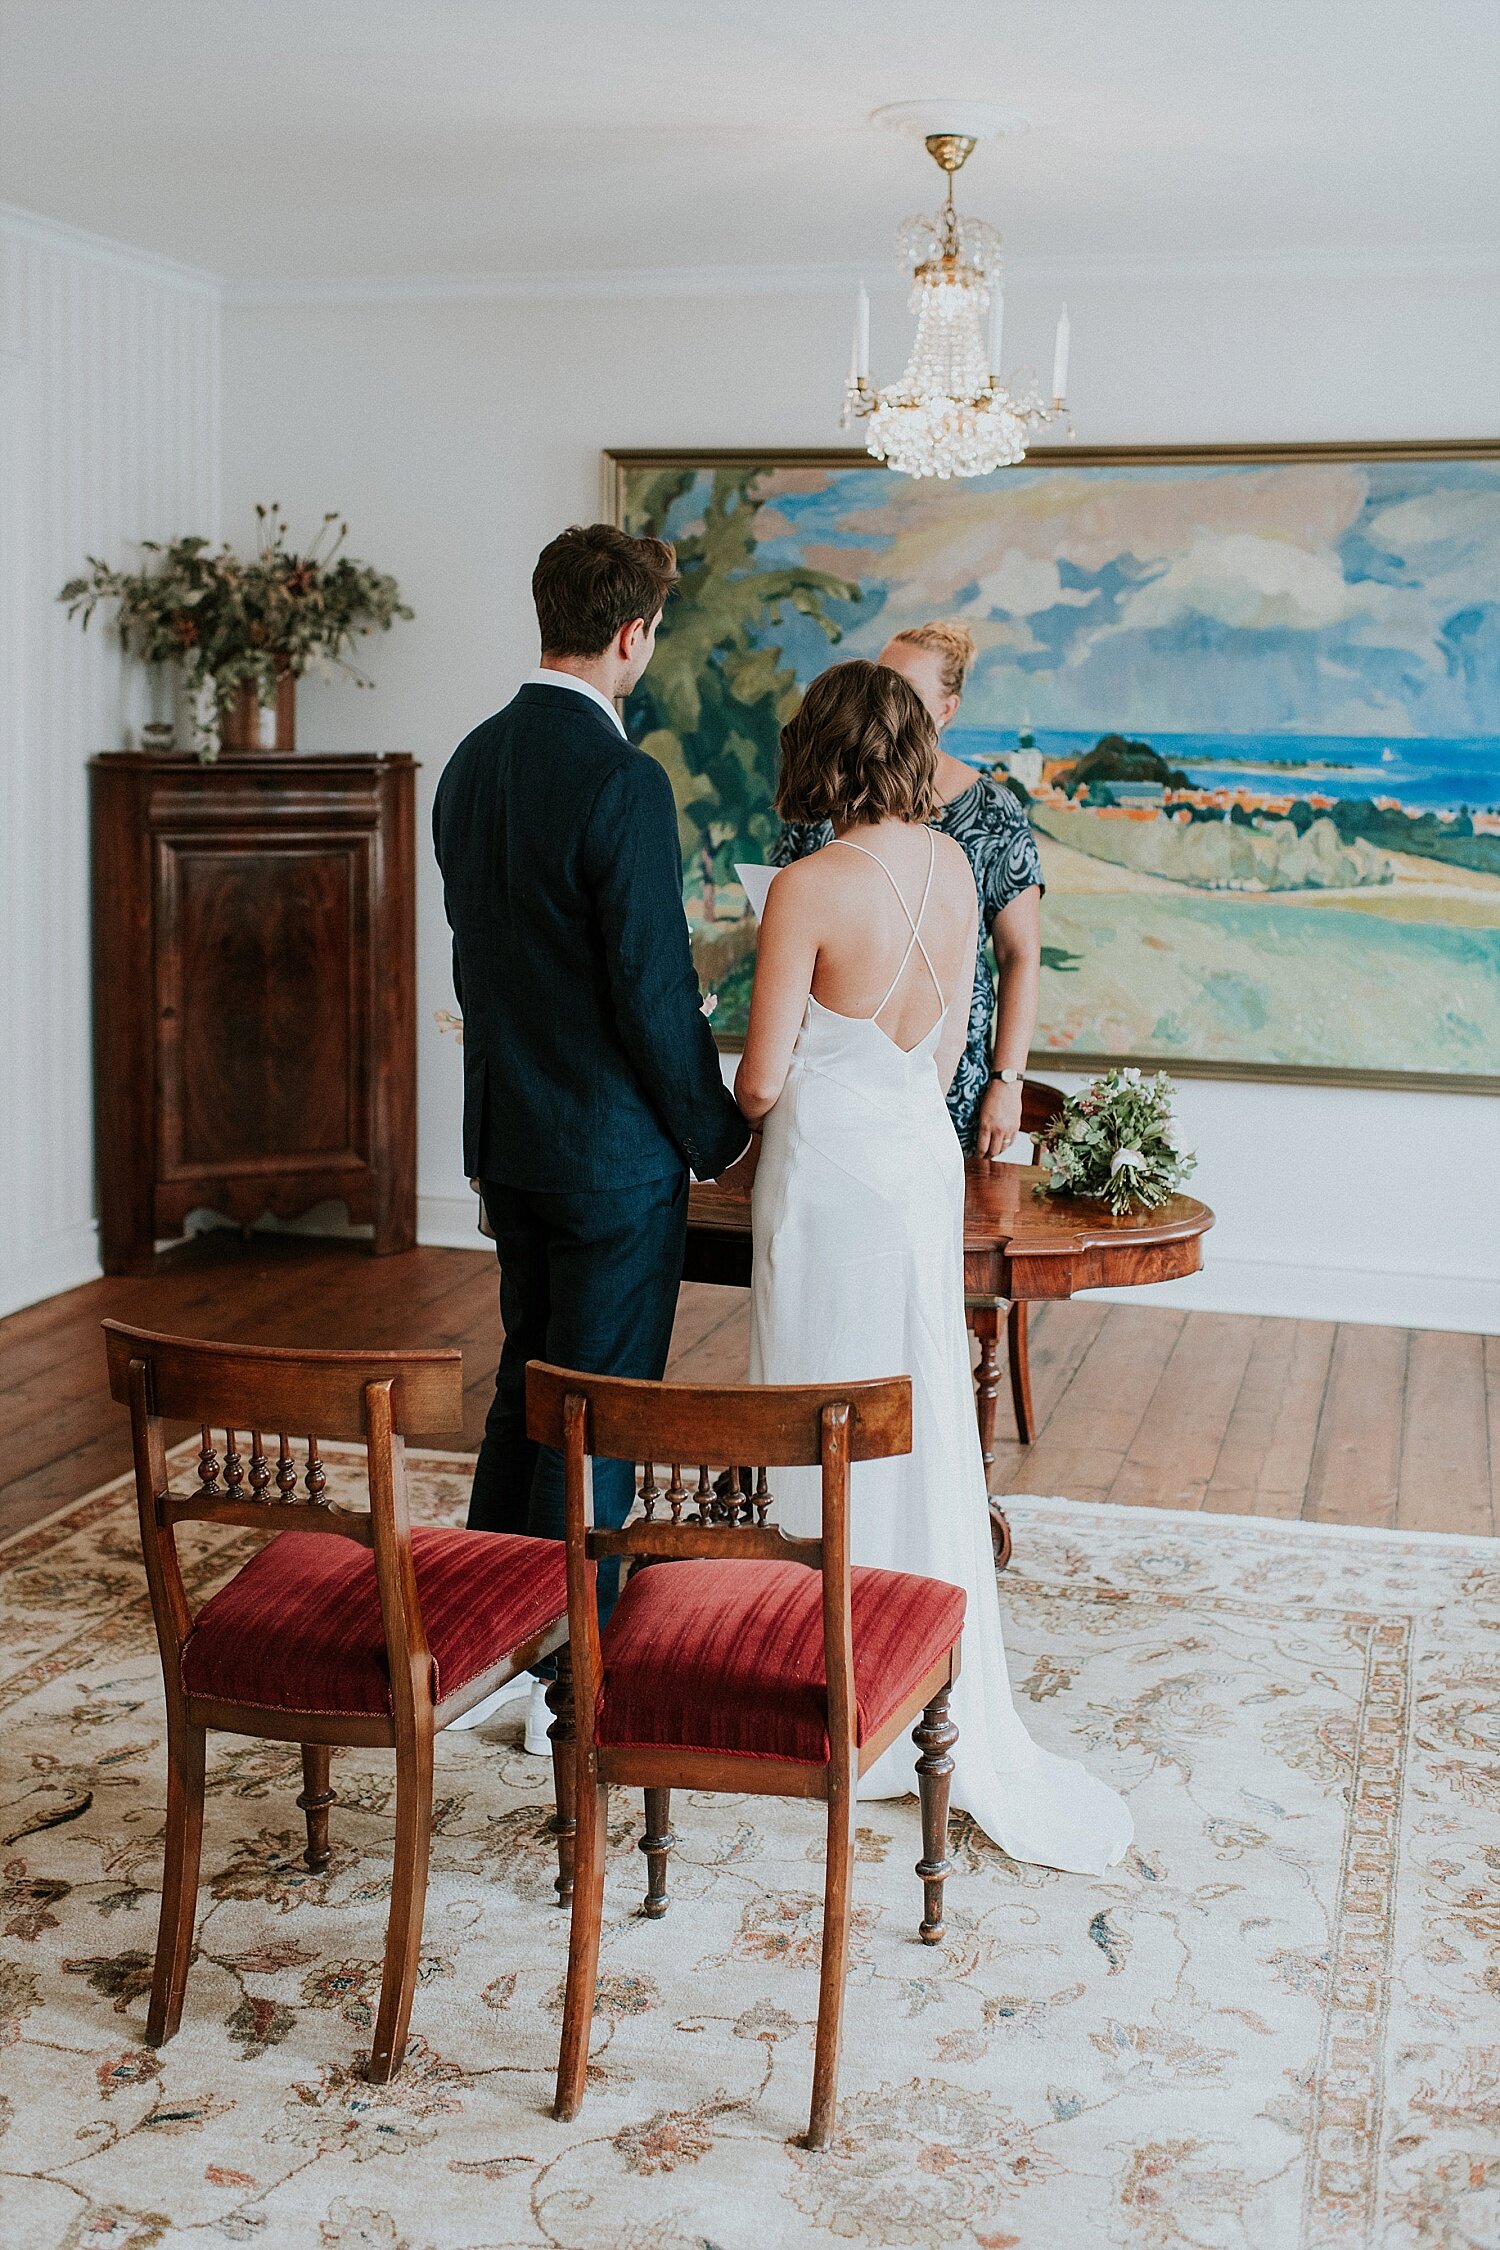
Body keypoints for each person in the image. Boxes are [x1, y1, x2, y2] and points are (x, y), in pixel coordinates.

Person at [737, 661, 1131, 1874]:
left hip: (823, 1179)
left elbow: (759, 1082)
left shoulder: (806, 886)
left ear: (821, 750)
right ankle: (922, 1663)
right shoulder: (959, 869)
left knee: (816, 1400)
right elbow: (953, 1031)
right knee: (912, 1394)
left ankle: (822, 1676)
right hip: (913, 1167)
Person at [433, 523, 750, 1750]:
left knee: (527, 1379)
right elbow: (646, 991)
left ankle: (483, 1636)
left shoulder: (470, 762)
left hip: (508, 1139)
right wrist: (717, 1138)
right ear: (633, 636)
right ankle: (578, 1679)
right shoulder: (624, 782)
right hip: (612, 1155)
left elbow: (525, 964)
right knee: (601, 1409)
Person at [773, 622, 1042, 1159]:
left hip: (942, 1068)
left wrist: (1007, 1079)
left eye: (907, 691)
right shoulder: (827, 796)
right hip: (823, 1060)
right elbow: (780, 904)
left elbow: (1020, 954)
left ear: (947, 710)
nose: (885, 700)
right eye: (881, 679)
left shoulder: (992, 812)